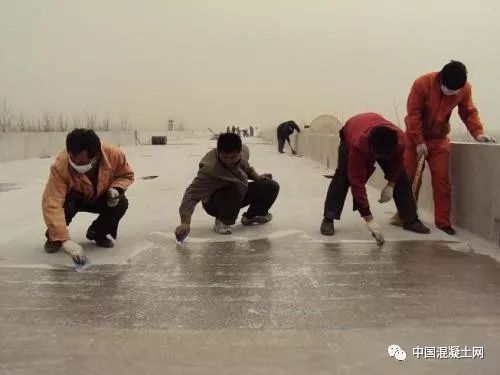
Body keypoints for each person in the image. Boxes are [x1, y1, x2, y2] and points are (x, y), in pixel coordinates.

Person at [403, 60, 496, 235]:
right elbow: (413, 114)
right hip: (414, 137)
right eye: (449, 89)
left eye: (456, 91)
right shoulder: (422, 84)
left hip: (439, 139)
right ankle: (406, 215)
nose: (452, 93)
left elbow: (468, 112)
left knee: (442, 182)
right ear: (441, 80)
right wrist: (419, 140)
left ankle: (443, 222)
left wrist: (478, 134)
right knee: (409, 176)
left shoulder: (464, 89)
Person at [320, 113, 430, 242]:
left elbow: (397, 164)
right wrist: (368, 218)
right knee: (343, 177)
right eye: (378, 157)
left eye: (384, 158)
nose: (380, 160)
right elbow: (357, 181)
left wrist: (392, 184)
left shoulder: (400, 141)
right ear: (371, 149)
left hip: (377, 132)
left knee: (401, 177)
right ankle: (329, 217)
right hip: (352, 130)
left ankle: (410, 219)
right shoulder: (358, 145)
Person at [42, 129, 134, 264]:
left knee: (121, 203)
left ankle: (97, 232)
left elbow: (126, 175)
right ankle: (55, 237)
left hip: (101, 196)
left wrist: (116, 189)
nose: (75, 165)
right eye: (72, 160)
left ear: (95, 157)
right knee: (63, 205)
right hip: (74, 198)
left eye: (80, 163)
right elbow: (52, 202)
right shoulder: (60, 166)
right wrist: (64, 240)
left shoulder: (114, 155)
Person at [175, 133, 279, 239]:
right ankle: (222, 221)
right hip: (214, 203)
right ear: (218, 152)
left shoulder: (243, 153)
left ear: (239, 152)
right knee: (236, 186)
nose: (229, 161)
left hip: (237, 193)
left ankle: (254, 215)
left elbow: (245, 167)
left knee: (270, 186)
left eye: (233, 157)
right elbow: (191, 194)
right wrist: (185, 222)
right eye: (224, 157)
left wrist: (257, 177)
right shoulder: (210, 169)